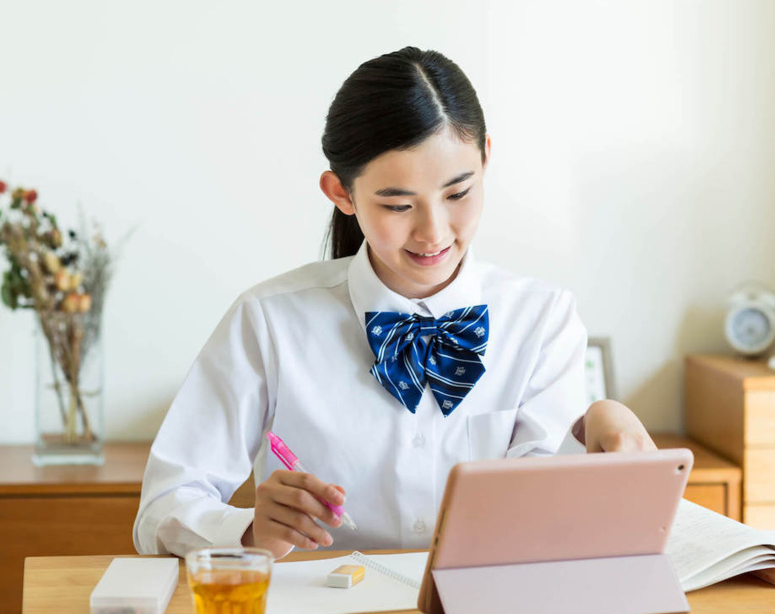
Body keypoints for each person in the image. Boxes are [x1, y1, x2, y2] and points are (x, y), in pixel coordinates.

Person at [134, 46, 656, 560]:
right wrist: (248, 531)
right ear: (341, 193)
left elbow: (546, 509)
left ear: (486, 159)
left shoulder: (543, 321)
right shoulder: (269, 321)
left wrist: (597, 426)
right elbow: (162, 509)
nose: (433, 232)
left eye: (457, 194)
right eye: (398, 204)